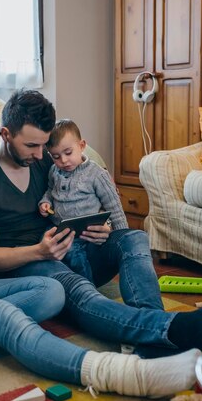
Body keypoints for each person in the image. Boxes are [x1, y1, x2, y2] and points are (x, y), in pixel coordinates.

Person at [0, 107, 202, 399]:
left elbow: (79, 163)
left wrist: (102, 217)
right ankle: (124, 374)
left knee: (50, 292)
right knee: (7, 318)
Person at [38, 118, 128, 282]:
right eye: (56, 156)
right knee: (45, 244)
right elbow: (50, 191)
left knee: (75, 254)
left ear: (81, 146)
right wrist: (45, 203)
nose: (63, 161)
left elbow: (114, 206)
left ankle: (87, 291)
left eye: (68, 153)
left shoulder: (97, 174)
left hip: (86, 232)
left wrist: (122, 235)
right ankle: (74, 287)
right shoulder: (53, 171)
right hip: (60, 229)